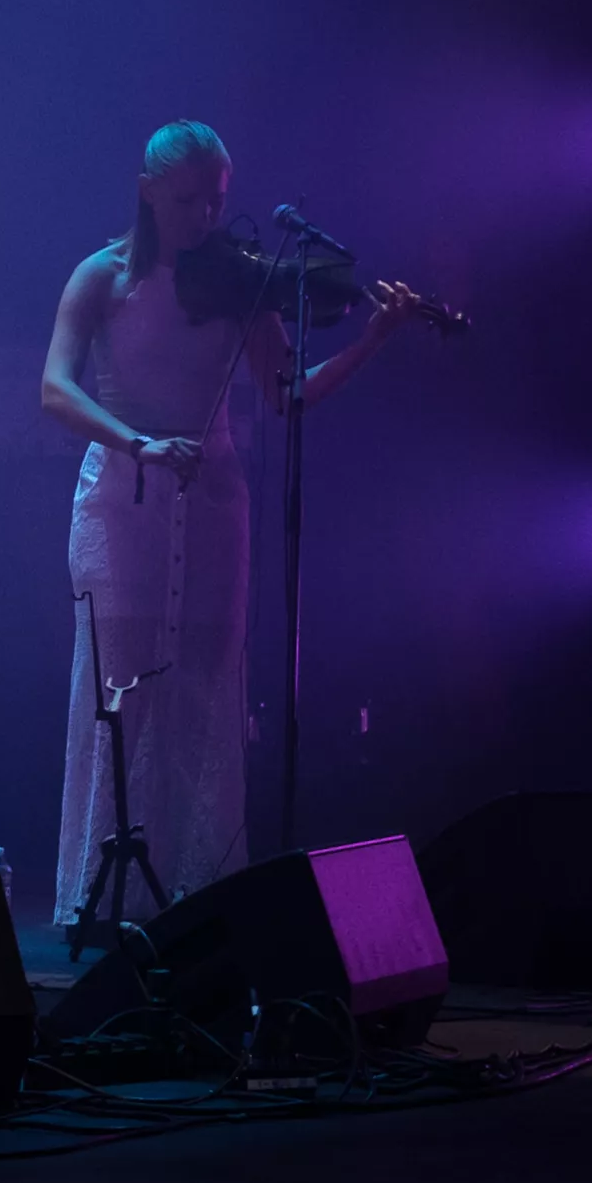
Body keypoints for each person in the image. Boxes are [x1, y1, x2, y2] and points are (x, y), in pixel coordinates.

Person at [35, 121, 428, 930]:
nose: (207, 218)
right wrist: (138, 442)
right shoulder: (101, 276)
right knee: (118, 691)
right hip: (121, 505)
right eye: (189, 202)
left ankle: (197, 888)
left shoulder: (241, 281)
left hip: (213, 502)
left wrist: (373, 339)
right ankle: (106, 892)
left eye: (217, 201)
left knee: (206, 689)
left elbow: (287, 394)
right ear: (148, 192)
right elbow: (55, 390)